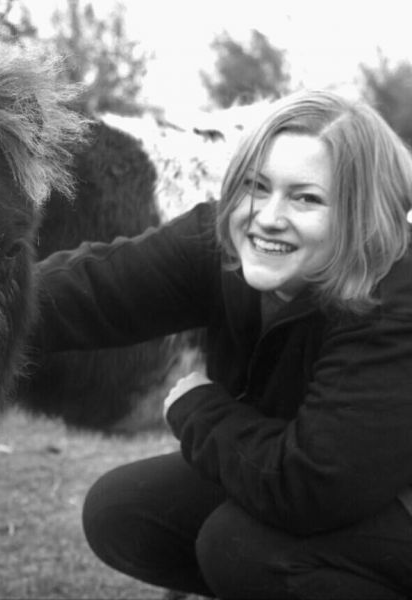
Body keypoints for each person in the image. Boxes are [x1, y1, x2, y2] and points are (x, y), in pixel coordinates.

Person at [30, 89, 412, 599]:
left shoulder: (393, 299)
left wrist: (198, 409)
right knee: (124, 508)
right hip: (325, 474)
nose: (267, 217)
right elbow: (94, 288)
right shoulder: (225, 243)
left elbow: (313, 486)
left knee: (241, 547)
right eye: (257, 186)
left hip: (379, 499)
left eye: (306, 198)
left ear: (361, 214)